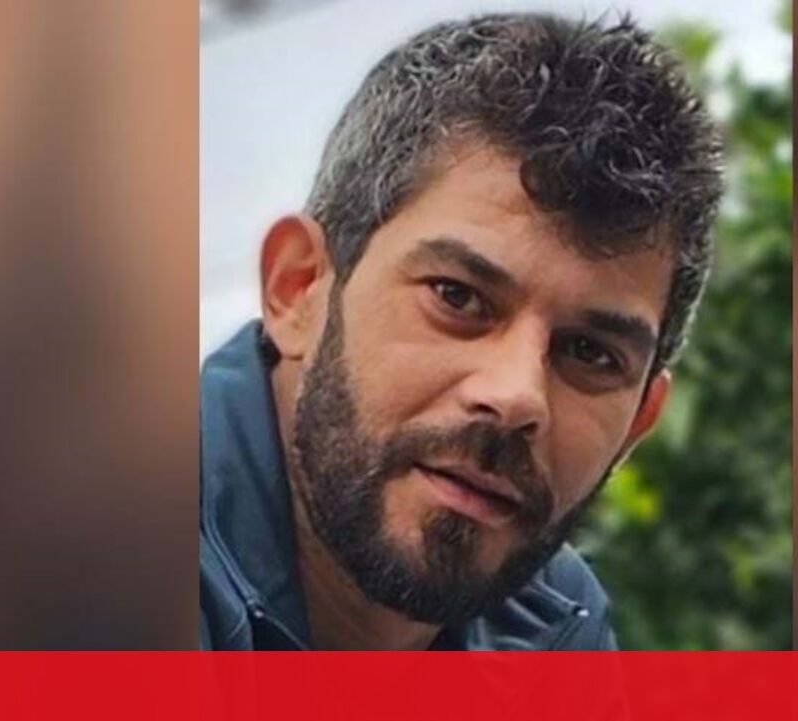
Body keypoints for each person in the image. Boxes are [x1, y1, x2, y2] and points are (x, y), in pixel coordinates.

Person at [200, 12, 722, 650]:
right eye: (458, 297)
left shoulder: (552, 625)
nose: (516, 396)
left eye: (590, 353)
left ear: (639, 421)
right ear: (298, 287)